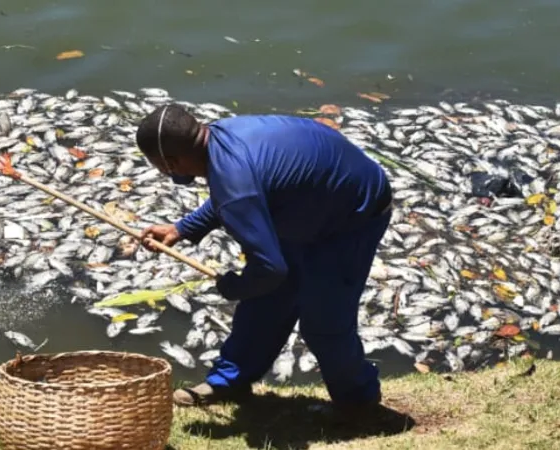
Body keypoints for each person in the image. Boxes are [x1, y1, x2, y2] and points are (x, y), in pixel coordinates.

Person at [133, 104, 394, 416]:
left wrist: (235, 286)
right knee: (264, 304)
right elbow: (239, 193)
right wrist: (182, 228)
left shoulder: (234, 179)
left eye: (159, 166)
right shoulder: (221, 134)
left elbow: (269, 267)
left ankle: (360, 404)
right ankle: (230, 381)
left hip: (352, 217)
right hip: (309, 204)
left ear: (171, 163)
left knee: (324, 323)